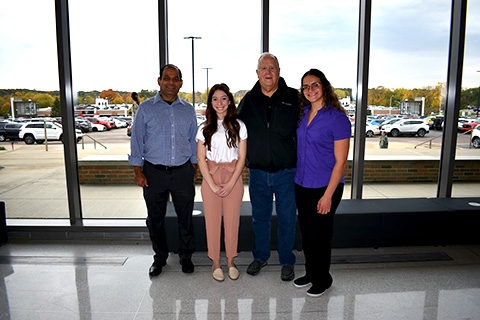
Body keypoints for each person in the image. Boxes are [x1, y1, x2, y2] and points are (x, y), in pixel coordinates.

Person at [129, 64, 198, 277]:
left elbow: (193, 140)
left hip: (182, 172)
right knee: (155, 218)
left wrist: (193, 166)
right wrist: (137, 171)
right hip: (154, 172)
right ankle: (159, 258)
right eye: (166, 78)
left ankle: (186, 256)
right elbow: (137, 139)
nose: (171, 82)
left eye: (175, 78)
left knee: (185, 217)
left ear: (181, 83)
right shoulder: (146, 108)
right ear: (159, 81)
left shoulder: (188, 109)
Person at [237, 53, 300, 281]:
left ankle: (286, 261)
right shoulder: (249, 100)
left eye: (272, 68)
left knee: (287, 219)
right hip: (258, 173)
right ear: (257, 73)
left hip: (286, 173)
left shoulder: (294, 98)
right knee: (260, 219)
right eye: (264, 68)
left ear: (279, 71)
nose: (268, 72)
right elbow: (235, 129)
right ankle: (261, 257)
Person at [293, 68, 350, 297]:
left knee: (320, 235)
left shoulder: (337, 118)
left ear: (324, 86)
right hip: (302, 183)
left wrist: (327, 195)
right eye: (306, 87)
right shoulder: (303, 113)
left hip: (326, 187)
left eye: (314, 85)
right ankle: (311, 273)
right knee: (307, 234)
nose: (310, 90)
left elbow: (341, 162)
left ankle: (323, 279)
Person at [196, 83, 247, 282]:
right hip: (211, 176)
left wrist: (232, 182)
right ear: (210, 102)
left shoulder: (239, 125)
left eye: (223, 98)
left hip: (233, 175)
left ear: (229, 101)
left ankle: (231, 261)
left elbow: (242, 158)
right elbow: (201, 159)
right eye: (215, 99)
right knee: (213, 222)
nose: (219, 103)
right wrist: (213, 184)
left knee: (233, 221)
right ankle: (216, 262)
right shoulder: (204, 127)